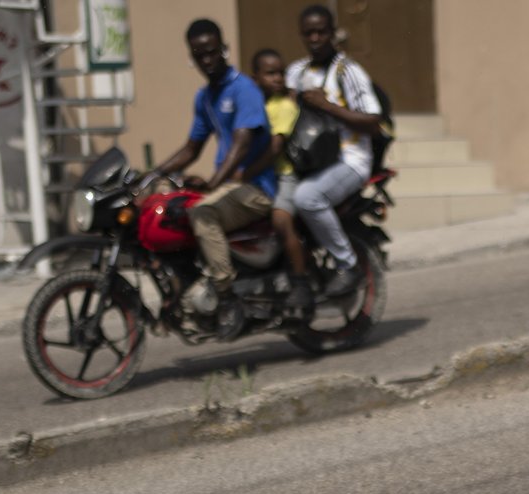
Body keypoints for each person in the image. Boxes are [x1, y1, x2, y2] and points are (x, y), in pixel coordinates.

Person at [149, 18, 278, 316]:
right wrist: (153, 174)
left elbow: (241, 144)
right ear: (191, 57)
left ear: (224, 49)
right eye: (199, 54)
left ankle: (226, 294)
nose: (206, 59)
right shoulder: (205, 97)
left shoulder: (243, 89)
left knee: (203, 214)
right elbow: (191, 149)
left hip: (255, 187)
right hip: (228, 187)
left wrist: (214, 182)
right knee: (168, 205)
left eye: (211, 51)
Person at [274, 5, 385, 303]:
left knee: (307, 198)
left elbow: (374, 122)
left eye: (321, 31)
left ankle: (348, 265)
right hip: (308, 162)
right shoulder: (295, 73)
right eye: (309, 33)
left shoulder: (348, 72)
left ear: (333, 33)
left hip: (350, 160)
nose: (315, 38)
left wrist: (327, 106)